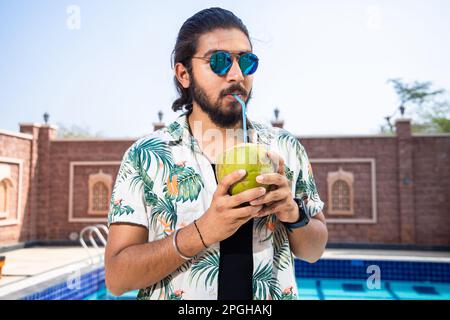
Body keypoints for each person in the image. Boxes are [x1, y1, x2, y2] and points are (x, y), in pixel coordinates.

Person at [105, 7, 327, 300]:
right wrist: (204, 231)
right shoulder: (146, 156)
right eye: (219, 61)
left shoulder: (285, 148)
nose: (236, 75)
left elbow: (314, 251)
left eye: (246, 62)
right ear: (184, 74)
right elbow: (118, 278)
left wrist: (292, 213)